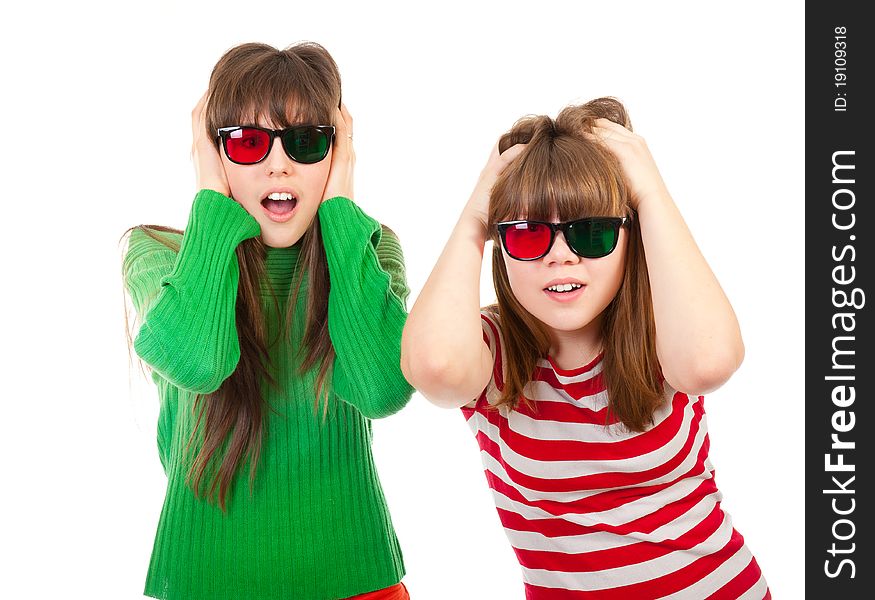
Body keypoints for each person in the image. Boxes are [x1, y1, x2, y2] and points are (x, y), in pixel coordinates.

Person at [401, 97, 770, 598]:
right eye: (529, 235)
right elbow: (435, 367)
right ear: (499, 243)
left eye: (591, 232)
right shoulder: (491, 351)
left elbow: (710, 361)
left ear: (628, 236)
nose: (561, 256)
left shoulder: (665, 329)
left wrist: (650, 192)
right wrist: (473, 216)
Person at [121, 42, 412, 600]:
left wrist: (341, 212)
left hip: (358, 585)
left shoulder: (367, 252)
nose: (279, 164)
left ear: (336, 153)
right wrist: (211, 194)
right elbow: (198, 360)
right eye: (249, 142)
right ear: (214, 151)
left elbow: (380, 389)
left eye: (306, 142)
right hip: (202, 584)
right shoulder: (158, 255)